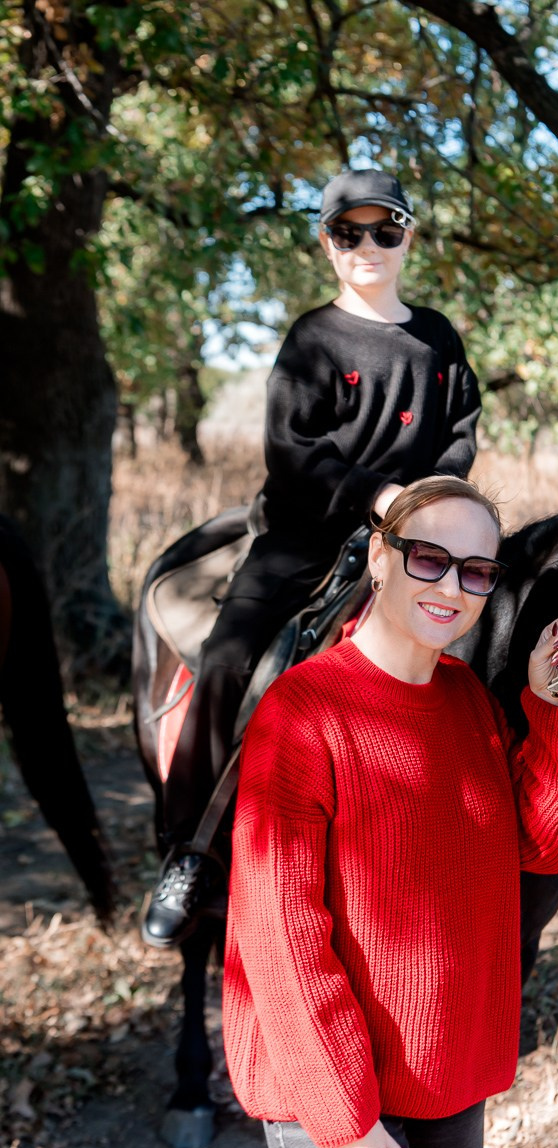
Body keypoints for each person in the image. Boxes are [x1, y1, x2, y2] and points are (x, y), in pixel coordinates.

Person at [222, 475, 558, 1148]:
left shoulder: (468, 699)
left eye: (477, 570)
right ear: (380, 557)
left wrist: (546, 704)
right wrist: (343, 1124)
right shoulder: (305, 713)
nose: (453, 587)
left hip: (446, 1079)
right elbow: (279, 933)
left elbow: (549, 840)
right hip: (331, 1093)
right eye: (430, 558)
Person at [142, 168, 482, 947]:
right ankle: (189, 848)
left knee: (487, 643)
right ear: (327, 244)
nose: (368, 245)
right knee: (229, 660)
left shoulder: (437, 339)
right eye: (348, 232)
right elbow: (293, 451)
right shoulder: (313, 338)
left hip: (415, 538)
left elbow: (460, 432)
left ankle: (514, 810)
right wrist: (376, 495)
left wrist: (428, 502)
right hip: (305, 535)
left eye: (384, 229)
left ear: (408, 238)